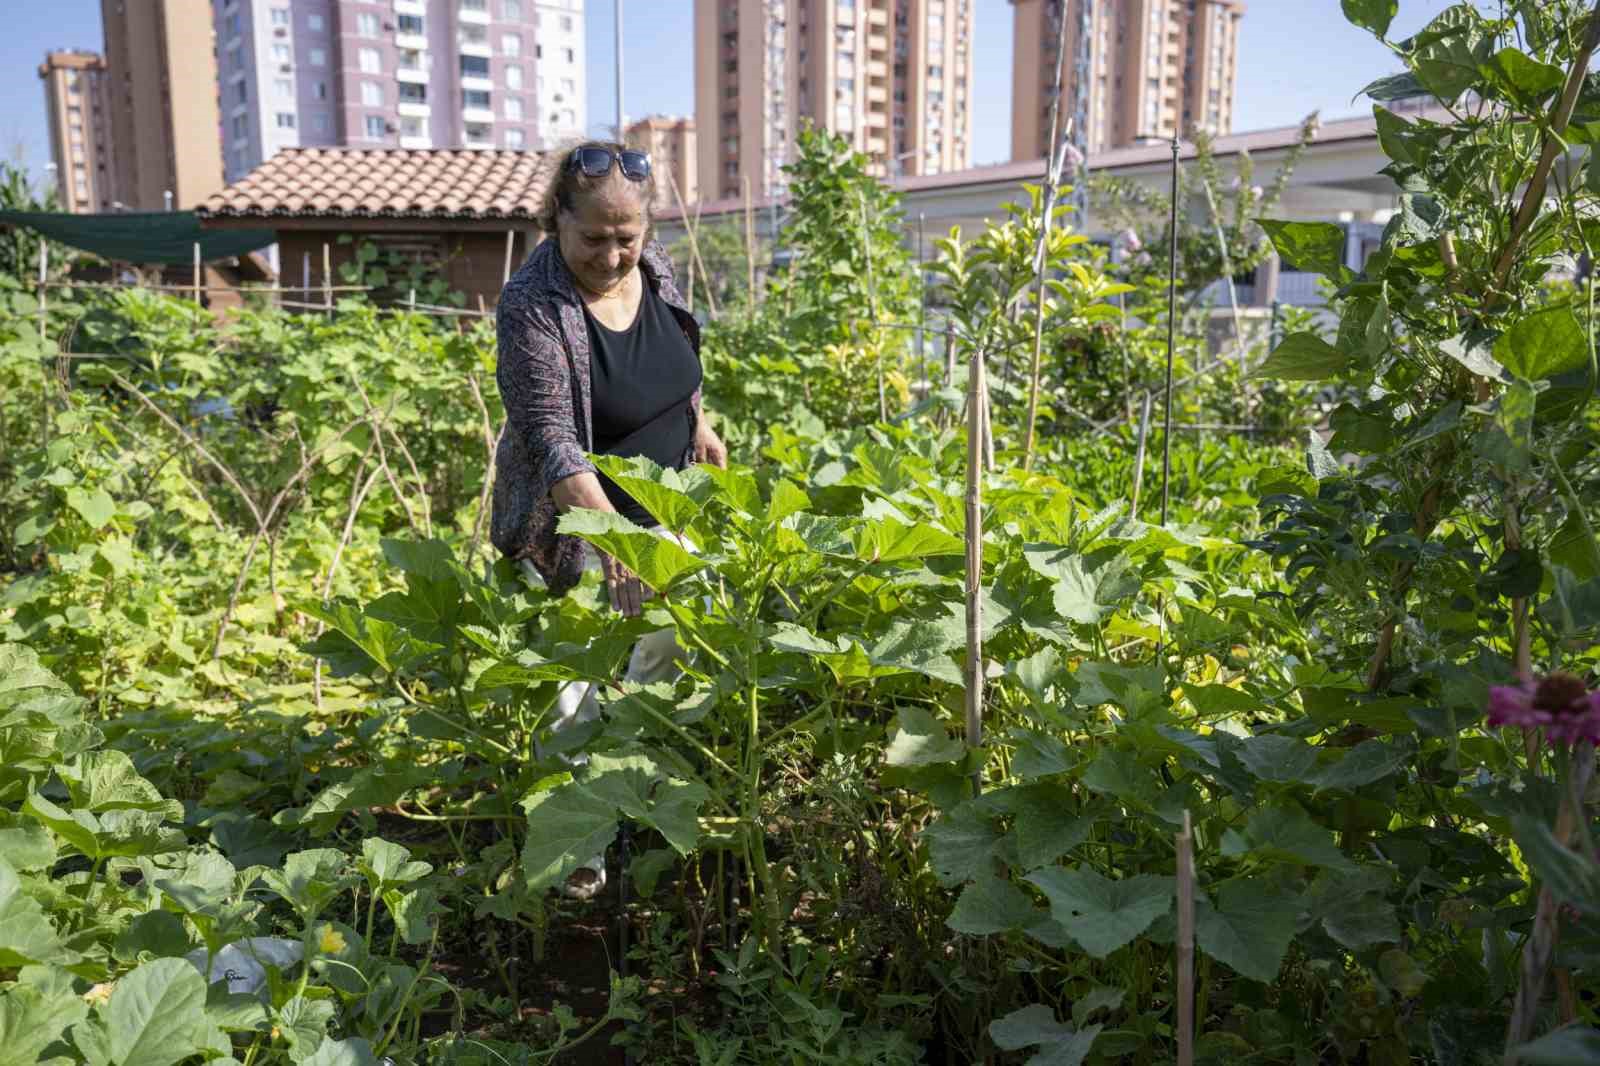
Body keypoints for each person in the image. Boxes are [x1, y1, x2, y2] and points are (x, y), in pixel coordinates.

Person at [491, 140, 728, 899]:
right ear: (557, 218)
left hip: (664, 512)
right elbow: (553, 440)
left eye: (629, 236)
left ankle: (638, 807)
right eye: (594, 236)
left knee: (657, 664)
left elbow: (675, 347)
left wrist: (699, 421)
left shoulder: (649, 267)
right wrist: (615, 539)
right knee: (577, 692)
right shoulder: (534, 304)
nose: (614, 255)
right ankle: (576, 848)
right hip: (577, 532)